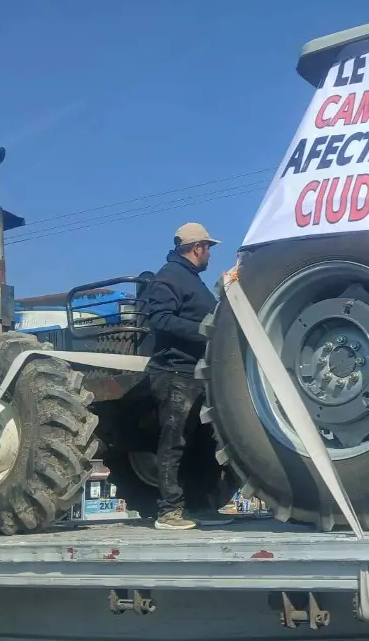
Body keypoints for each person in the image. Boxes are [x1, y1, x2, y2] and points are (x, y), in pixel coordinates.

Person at [144, 222, 227, 530]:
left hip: (197, 372)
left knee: (202, 443)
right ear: (197, 248)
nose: (210, 255)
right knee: (174, 441)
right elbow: (161, 320)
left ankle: (201, 506)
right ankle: (169, 511)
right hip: (175, 372)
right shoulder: (168, 278)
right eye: (208, 249)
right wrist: (206, 330)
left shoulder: (192, 280)